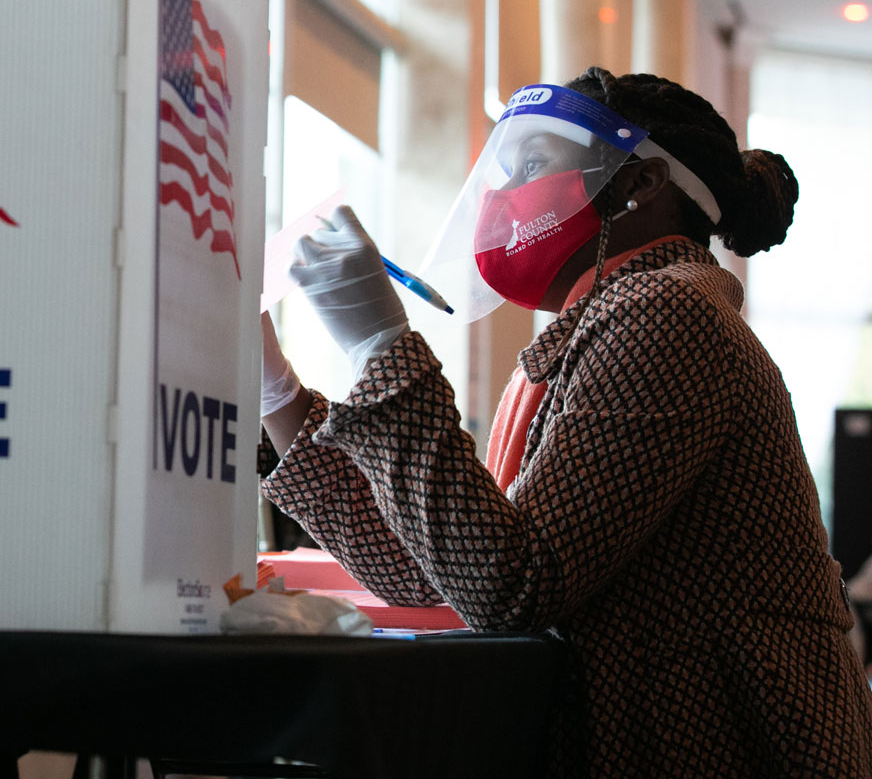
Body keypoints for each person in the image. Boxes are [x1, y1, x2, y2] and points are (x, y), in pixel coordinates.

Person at [260, 69, 872, 777]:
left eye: (531, 166)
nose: (500, 193)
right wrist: (280, 394)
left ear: (637, 184)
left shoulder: (666, 315)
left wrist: (381, 350)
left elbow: (508, 587)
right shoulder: (606, 326)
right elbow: (440, 573)